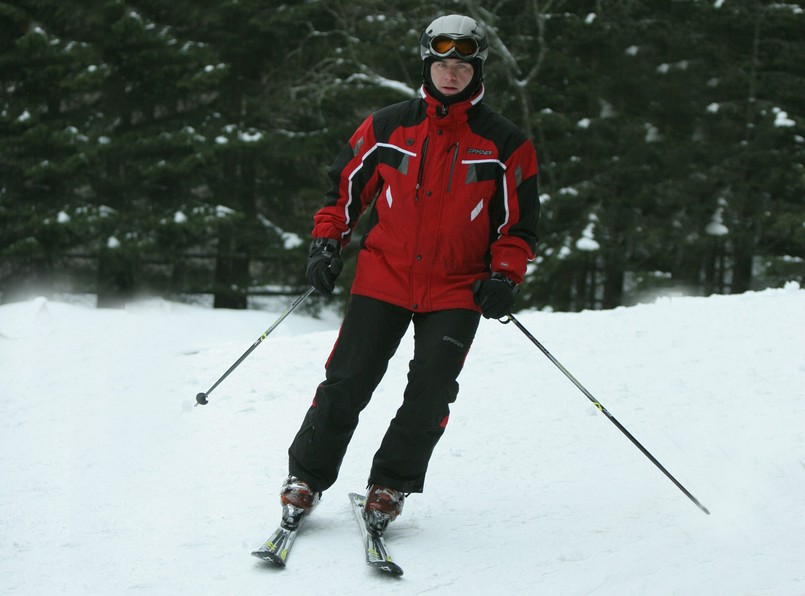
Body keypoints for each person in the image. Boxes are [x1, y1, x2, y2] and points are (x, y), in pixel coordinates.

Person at [279, 14, 540, 533]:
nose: (451, 74)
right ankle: (305, 478)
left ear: (477, 71)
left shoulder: (505, 144)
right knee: (347, 382)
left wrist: (504, 276)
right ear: (427, 63)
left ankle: (390, 484)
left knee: (431, 390)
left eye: (461, 66)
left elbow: (519, 226)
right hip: (384, 277)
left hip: (457, 287)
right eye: (442, 63)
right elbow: (344, 195)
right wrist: (326, 245)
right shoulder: (386, 126)